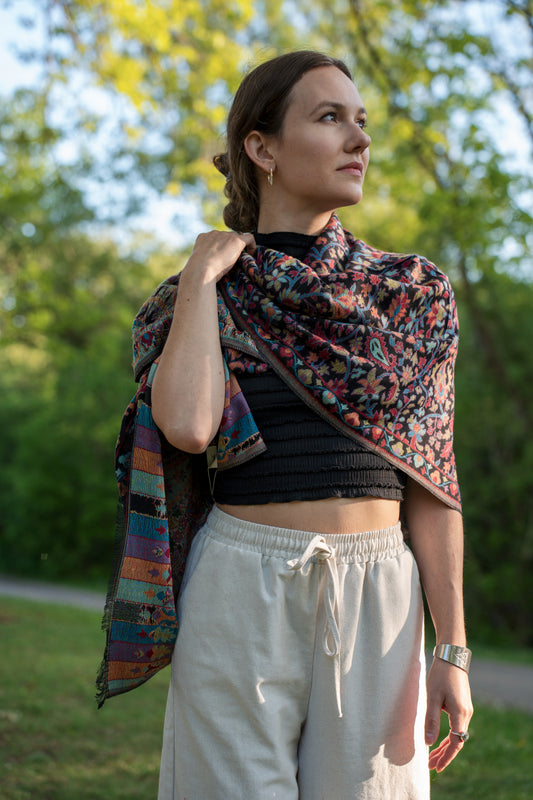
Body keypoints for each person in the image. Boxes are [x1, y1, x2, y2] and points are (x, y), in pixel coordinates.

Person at [97, 50, 473, 799]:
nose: (358, 140)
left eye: (359, 121)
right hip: (240, 584)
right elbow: (189, 427)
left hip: (379, 592)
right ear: (260, 147)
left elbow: (433, 480)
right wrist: (205, 275)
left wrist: (453, 649)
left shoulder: (411, 297)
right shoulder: (202, 293)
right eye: (329, 118)